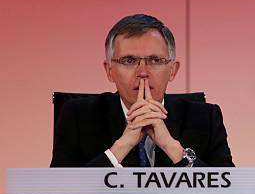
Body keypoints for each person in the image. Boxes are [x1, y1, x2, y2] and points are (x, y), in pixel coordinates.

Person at [51, 14, 234, 167]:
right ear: (109, 71)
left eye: (155, 60)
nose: (143, 72)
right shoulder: (77, 116)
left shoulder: (205, 118)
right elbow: (58, 191)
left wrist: (171, 147)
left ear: (173, 70)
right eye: (129, 61)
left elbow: (228, 191)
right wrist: (122, 146)